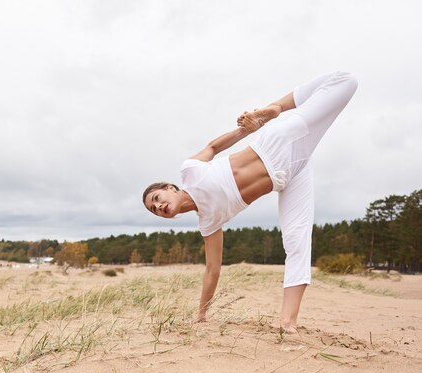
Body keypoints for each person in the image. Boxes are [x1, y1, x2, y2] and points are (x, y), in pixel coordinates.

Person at [142, 71, 358, 332]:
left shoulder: (190, 171)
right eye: (154, 210)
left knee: (345, 81)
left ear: (169, 188)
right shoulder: (208, 221)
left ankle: (275, 108)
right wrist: (201, 313)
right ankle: (287, 324)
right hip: (289, 176)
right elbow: (212, 270)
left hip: (276, 145)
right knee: (297, 241)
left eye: (157, 198)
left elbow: (213, 147)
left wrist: (247, 129)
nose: (159, 206)